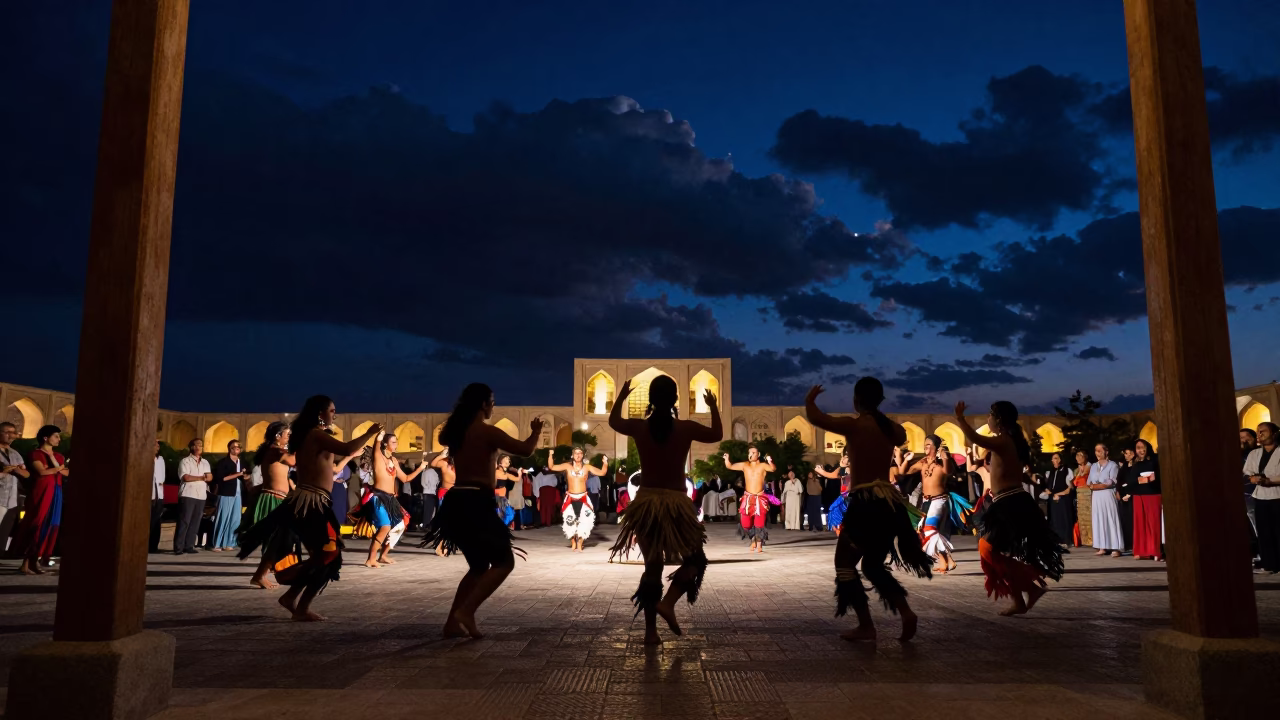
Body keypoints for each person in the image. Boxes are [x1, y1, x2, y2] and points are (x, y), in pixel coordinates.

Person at [805, 380, 931, 642]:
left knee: (844, 565)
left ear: (856, 400)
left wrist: (810, 400)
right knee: (872, 566)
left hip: (865, 504)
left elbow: (816, 418)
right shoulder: (892, 429)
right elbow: (901, 435)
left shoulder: (854, 425)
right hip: (888, 504)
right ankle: (905, 612)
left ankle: (866, 626)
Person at [238, 396, 381, 621]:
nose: (335, 415)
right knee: (329, 555)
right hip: (310, 502)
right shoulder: (314, 435)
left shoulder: (313, 436)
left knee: (328, 556)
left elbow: (335, 464)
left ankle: (293, 599)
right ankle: (297, 601)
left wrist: (352, 452)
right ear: (320, 413)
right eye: (331, 410)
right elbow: (347, 447)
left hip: (315, 501)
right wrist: (369, 432)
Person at [419, 384, 542, 638]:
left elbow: (444, 438)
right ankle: (467, 611)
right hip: (476, 501)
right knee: (504, 562)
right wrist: (536, 432)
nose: (493, 406)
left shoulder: (456, 432)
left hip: (456, 501)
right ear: (483, 404)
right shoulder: (487, 432)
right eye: (492, 402)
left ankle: (452, 623)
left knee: (478, 566)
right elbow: (525, 450)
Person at [608, 376, 720, 644]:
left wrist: (622, 396)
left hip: (646, 503)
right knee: (695, 560)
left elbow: (614, 422)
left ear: (650, 399)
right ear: (675, 400)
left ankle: (650, 632)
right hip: (676, 503)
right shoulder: (686, 428)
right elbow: (716, 434)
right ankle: (668, 603)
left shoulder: (639, 427)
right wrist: (713, 406)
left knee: (653, 566)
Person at [955, 401, 1064, 616]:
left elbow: (976, 438)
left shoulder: (1003, 440)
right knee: (992, 552)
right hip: (1009, 501)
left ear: (999, 420)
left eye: (990, 415)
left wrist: (960, 418)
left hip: (1010, 503)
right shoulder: (1012, 441)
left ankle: (1030, 588)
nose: (988, 419)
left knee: (987, 549)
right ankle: (1020, 600)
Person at [353, 432, 424, 568]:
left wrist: (420, 468)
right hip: (378, 497)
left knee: (400, 525)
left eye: (396, 442)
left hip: (391, 499)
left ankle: (383, 555)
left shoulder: (394, 460)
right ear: (385, 444)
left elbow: (405, 479)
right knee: (385, 527)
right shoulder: (378, 457)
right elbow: (376, 445)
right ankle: (371, 559)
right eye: (393, 442)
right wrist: (378, 437)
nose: (396, 444)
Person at [242, 421, 295, 588]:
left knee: (279, 538)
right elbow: (293, 461)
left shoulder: (275, 450)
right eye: (287, 435)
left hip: (278, 498)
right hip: (273, 499)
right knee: (277, 539)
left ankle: (266, 572)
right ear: (278, 436)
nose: (289, 438)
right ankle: (260, 575)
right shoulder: (274, 450)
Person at [13, 425, 69, 574]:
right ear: (46, 438)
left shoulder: (58, 456)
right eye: (56, 436)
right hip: (42, 491)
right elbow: (42, 472)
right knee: (37, 522)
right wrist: (58, 469)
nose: (59, 439)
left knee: (51, 524)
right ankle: (26, 563)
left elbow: (66, 473)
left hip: (56, 491)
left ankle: (35, 561)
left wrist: (54, 463)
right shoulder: (35, 454)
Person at [900, 435, 956, 573]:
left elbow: (948, 471)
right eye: (925, 444)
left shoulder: (942, 462)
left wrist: (945, 458)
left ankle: (947, 559)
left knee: (930, 529)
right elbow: (903, 472)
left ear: (936, 447)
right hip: (926, 501)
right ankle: (946, 561)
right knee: (924, 532)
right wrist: (906, 460)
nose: (926, 446)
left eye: (929, 444)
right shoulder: (923, 462)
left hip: (939, 500)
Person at [547, 447, 609, 552]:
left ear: (582, 455)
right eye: (576, 453)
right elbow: (551, 466)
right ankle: (573, 542)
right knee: (569, 521)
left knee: (586, 521)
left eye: (580, 453)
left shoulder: (587, 467)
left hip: (583, 497)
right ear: (573, 455)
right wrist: (550, 455)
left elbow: (602, 473)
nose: (578, 455)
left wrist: (605, 462)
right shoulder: (568, 466)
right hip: (570, 498)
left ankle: (580, 542)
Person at [723, 446, 776, 552]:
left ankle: (759, 542)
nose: (750, 454)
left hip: (760, 498)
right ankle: (752, 538)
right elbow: (730, 466)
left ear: (758, 454)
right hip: (748, 498)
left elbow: (773, 469)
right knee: (746, 524)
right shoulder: (745, 465)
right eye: (749, 452)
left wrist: (770, 461)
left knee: (759, 523)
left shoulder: (762, 466)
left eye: (753, 452)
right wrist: (726, 459)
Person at [1244, 422, 1280, 574]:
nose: (1260, 435)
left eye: (1263, 431)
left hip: (1277, 496)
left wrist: (1269, 481)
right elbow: (1248, 472)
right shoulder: (1254, 454)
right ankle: (1269, 564)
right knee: (1264, 532)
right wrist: (1253, 478)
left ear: (1274, 433)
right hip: (1260, 497)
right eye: (1258, 432)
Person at [174, 439, 212, 555]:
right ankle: (179, 547)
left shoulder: (205, 462)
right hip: (188, 494)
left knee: (195, 521)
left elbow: (210, 477)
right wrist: (201, 477)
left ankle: (189, 545)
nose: (199, 447)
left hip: (201, 495)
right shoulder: (185, 461)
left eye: (201, 445)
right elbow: (186, 477)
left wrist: (198, 477)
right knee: (184, 521)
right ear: (192, 447)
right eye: (197, 445)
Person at [209, 439, 248, 551]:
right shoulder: (223, 462)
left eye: (238, 447)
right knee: (223, 518)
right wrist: (238, 474)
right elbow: (222, 478)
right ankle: (217, 543)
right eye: (234, 447)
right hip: (226, 492)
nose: (236, 448)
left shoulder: (241, 462)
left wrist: (245, 476)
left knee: (235, 519)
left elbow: (244, 476)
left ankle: (229, 543)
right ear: (229, 448)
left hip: (238, 493)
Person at [1088, 443, 1124, 557]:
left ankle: (1116, 547)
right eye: (1096, 451)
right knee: (1099, 519)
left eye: (1100, 451)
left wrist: (1097, 486)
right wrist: (1095, 486)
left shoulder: (1112, 465)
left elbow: (1110, 482)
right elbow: (1089, 482)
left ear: (1106, 452)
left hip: (1108, 495)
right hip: (1096, 496)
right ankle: (1102, 546)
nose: (1097, 453)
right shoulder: (1094, 466)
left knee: (1110, 518)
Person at [1130, 439, 1163, 561]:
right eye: (1138, 448)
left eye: (1142, 447)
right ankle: (1141, 551)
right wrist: (1143, 480)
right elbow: (1131, 480)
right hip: (1138, 496)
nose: (1141, 450)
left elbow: (1158, 477)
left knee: (1153, 524)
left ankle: (1155, 551)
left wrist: (1149, 479)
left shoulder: (1155, 461)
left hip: (1153, 494)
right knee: (1140, 524)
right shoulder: (1136, 463)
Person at [0, 422, 30, 553]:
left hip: (11, 498)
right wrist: (4, 471)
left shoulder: (15, 453)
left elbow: (26, 474)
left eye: (13, 433)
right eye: (7, 432)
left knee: (4, 530)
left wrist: (16, 470)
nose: (11, 436)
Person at [1042, 452, 1076, 549]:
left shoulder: (1067, 470)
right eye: (1053, 459)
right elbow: (1047, 486)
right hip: (1053, 498)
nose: (1053, 460)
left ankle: (1066, 540)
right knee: (1054, 520)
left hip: (1063, 498)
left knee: (1064, 519)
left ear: (1060, 459)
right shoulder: (1050, 472)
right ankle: (1056, 540)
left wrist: (1059, 494)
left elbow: (1070, 488)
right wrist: (1049, 492)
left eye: (1056, 458)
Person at [429, 449, 458, 556]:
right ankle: (440, 545)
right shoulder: (444, 463)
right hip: (445, 494)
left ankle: (445, 544)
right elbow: (432, 464)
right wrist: (441, 455)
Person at [815, 454, 850, 537]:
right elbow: (831, 475)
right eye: (843, 457)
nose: (842, 459)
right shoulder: (840, 469)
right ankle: (839, 530)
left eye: (845, 457)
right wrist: (820, 471)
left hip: (851, 495)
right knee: (833, 509)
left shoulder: (854, 469)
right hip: (843, 495)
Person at [1116, 447, 1136, 553]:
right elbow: (1119, 479)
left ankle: (1135, 544)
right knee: (1125, 520)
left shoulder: (1136, 466)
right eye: (1125, 454)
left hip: (1133, 496)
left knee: (1133, 520)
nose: (1126, 456)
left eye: (1128, 453)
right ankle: (1128, 545)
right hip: (1123, 496)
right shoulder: (1124, 466)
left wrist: (1130, 493)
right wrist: (1118, 491)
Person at [149, 439, 166, 553]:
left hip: (159, 494)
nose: (157, 447)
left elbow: (161, 476)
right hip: (149, 494)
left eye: (158, 445)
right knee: (149, 521)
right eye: (155, 445)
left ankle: (154, 546)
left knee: (156, 521)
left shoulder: (160, 460)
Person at [804, 466, 824, 532]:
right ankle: (811, 525)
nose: (810, 475)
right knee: (810, 512)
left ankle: (818, 526)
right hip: (810, 497)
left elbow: (820, 489)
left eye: (811, 474)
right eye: (809, 474)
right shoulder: (807, 481)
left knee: (817, 512)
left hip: (817, 497)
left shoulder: (816, 480)